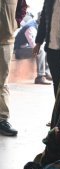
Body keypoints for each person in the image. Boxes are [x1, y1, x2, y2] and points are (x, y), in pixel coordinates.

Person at [0, 0, 27, 136]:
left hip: (5, 40)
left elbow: (22, 8)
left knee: (1, 82)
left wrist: (14, 24)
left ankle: (2, 120)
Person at [14, 13, 51, 85]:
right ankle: (40, 77)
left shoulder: (37, 25)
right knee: (40, 51)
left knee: (47, 48)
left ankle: (46, 72)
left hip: (26, 47)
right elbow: (34, 46)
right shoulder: (31, 28)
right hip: (19, 51)